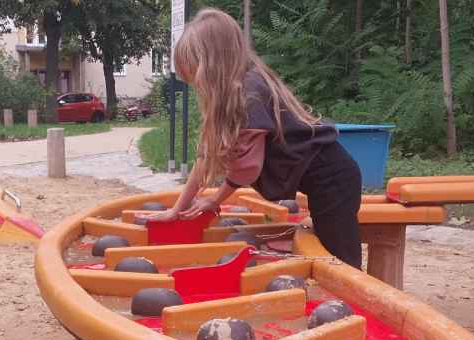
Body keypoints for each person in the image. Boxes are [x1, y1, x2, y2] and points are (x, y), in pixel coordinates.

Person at [148, 8, 363, 268]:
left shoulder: (248, 94)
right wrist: (176, 210)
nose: (197, 87)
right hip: (325, 180)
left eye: (196, 76)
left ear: (212, 64)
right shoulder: (233, 94)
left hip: (333, 180)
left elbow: (247, 169)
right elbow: (204, 158)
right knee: (331, 256)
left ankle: (361, 305)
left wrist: (215, 199)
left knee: (340, 263)